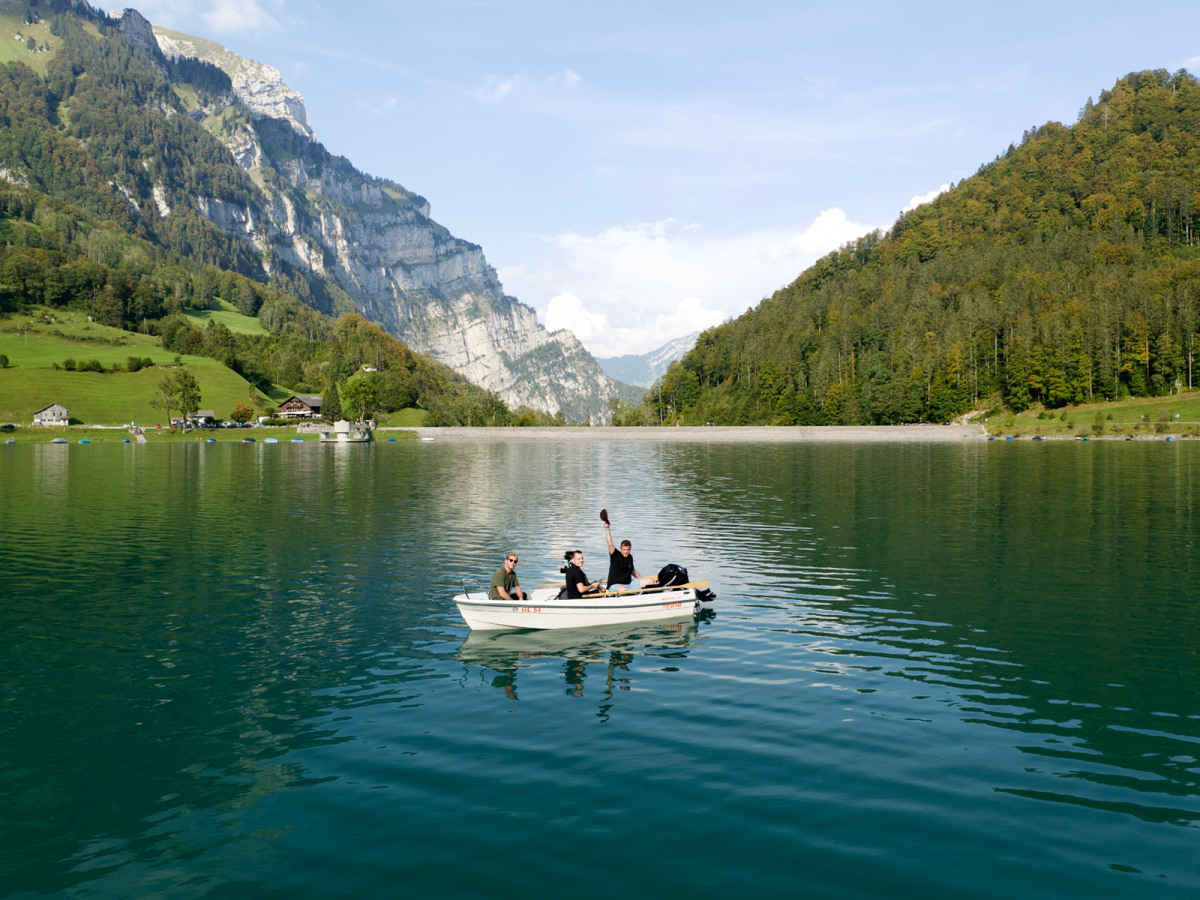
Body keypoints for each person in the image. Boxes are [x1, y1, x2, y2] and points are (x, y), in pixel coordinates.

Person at [603, 520, 654, 592]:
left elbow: (633, 571)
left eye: (628, 550)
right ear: (620, 548)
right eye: (624, 549)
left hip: (629, 584)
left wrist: (643, 580)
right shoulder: (615, 555)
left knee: (650, 581)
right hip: (615, 585)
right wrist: (607, 530)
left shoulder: (630, 557)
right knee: (623, 589)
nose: (626, 552)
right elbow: (610, 543)